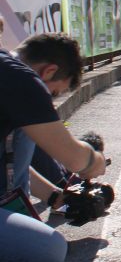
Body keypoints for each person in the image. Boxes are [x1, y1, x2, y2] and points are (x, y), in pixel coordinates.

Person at [1, 34, 108, 262]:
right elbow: (75, 158)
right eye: (53, 93)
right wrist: (95, 162)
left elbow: (11, 161)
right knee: (47, 248)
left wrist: (55, 197)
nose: (49, 99)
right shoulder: (22, 79)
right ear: (48, 71)